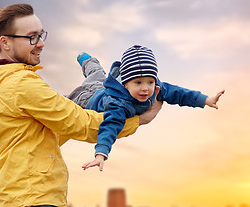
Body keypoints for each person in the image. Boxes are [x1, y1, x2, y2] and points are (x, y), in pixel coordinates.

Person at [0, 4, 162, 207]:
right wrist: (138, 120)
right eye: (32, 37)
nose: (41, 43)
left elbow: (49, 133)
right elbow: (79, 123)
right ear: (5, 42)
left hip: (23, 202)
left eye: (41, 35)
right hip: (33, 205)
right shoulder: (20, 84)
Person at [66, 45, 225, 171]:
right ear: (126, 83)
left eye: (149, 82)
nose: (145, 89)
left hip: (105, 87)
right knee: (83, 86)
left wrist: (206, 100)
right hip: (87, 99)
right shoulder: (119, 104)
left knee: (98, 75)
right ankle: (86, 59)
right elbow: (109, 127)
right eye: (138, 83)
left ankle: (88, 61)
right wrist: (101, 154)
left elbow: (179, 93)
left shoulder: (156, 88)